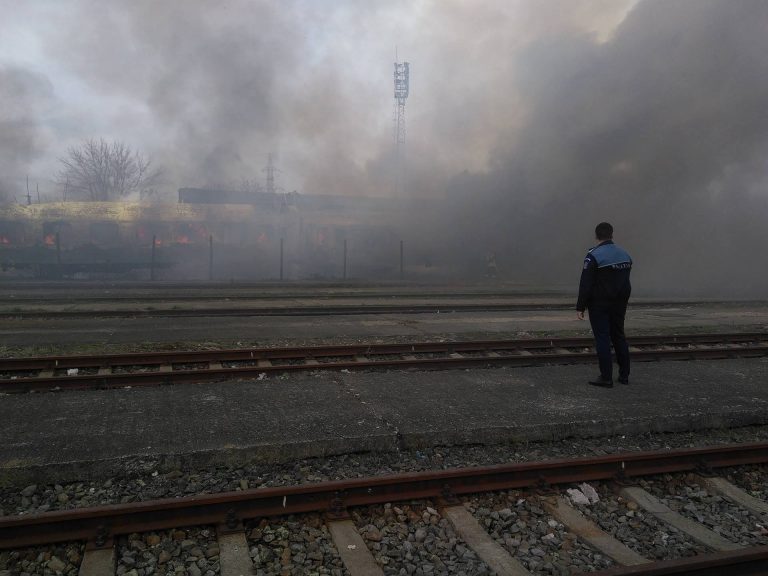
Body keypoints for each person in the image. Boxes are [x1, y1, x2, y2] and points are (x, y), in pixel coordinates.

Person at [576, 222, 632, 388]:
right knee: (619, 335)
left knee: (602, 338)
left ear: (596, 236)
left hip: (600, 303)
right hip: (620, 303)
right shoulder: (625, 254)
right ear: (611, 235)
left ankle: (606, 377)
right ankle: (624, 376)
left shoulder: (593, 255)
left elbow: (586, 283)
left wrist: (580, 306)